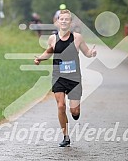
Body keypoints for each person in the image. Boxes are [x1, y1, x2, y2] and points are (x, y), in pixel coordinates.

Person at [34, 9, 96, 147]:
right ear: (57, 22)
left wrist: (92, 52)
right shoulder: (52, 38)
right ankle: (66, 137)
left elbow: (87, 52)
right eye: (61, 19)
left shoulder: (77, 37)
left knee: (75, 111)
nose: (64, 21)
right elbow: (48, 52)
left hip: (74, 78)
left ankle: (75, 113)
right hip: (58, 77)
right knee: (61, 106)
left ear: (71, 22)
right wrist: (39, 59)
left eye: (67, 19)